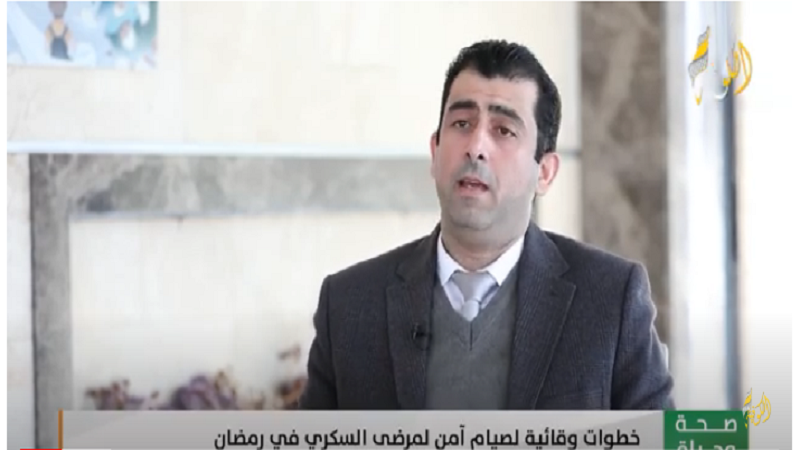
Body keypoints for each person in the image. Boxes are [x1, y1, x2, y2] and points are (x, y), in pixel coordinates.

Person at [298, 40, 674, 410]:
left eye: (504, 130)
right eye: (462, 123)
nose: (476, 147)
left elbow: (661, 436)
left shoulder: (610, 300)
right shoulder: (349, 305)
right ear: (435, 152)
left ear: (544, 172)